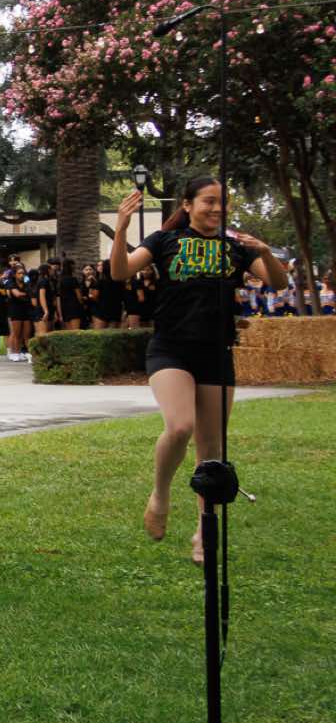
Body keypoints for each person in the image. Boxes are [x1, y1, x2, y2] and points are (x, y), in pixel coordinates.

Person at [109, 180, 289, 559]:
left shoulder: (236, 247)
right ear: (188, 204)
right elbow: (120, 271)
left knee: (211, 450)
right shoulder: (164, 240)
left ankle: (204, 531)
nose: (217, 208)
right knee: (179, 426)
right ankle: (160, 495)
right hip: (170, 348)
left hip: (216, 351)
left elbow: (278, 281)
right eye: (209, 201)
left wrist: (265, 252)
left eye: (223, 202)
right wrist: (122, 228)